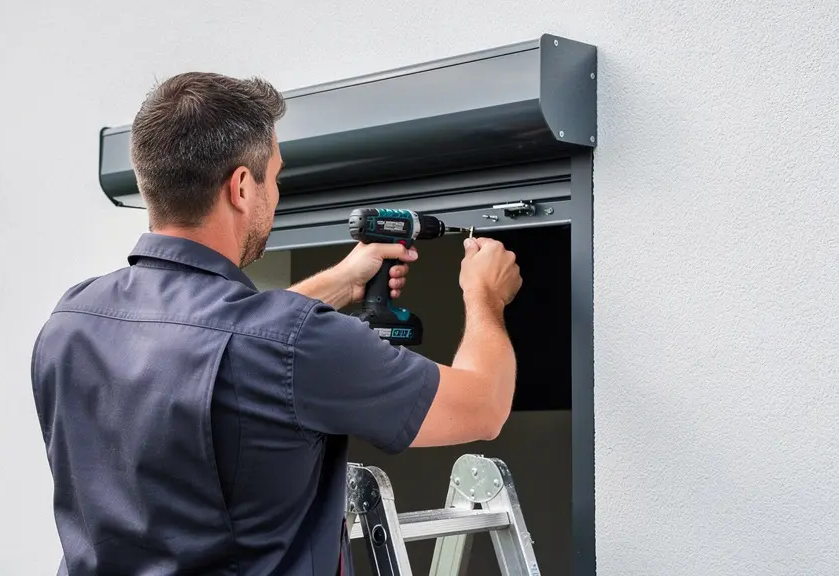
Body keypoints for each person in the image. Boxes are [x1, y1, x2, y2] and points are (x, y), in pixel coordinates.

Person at [30, 72, 522, 576]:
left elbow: (221, 337)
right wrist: (484, 296)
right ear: (242, 187)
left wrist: (341, 281)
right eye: (276, 177)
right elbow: (483, 406)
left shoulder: (71, 321)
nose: (278, 195)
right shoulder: (296, 344)